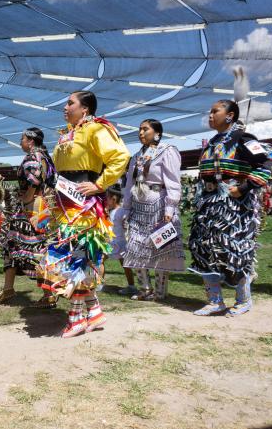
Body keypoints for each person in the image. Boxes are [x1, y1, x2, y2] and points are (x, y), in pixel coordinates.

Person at [39, 91, 130, 338]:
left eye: (70, 103)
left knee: (79, 255)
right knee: (71, 254)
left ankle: (76, 317)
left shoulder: (96, 129)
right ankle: (95, 311)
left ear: (85, 109)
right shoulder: (66, 134)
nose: (65, 107)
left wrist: (100, 184)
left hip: (85, 205)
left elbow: (120, 156)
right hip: (64, 202)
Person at [188, 99, 272, 316]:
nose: (210, 115)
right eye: (210, 111)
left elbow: (267, 164)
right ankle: (215, 301)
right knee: (204, 249)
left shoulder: (243, 139)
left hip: (234, 207)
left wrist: (244, 188)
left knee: (235, 250)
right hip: (208, 205)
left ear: (230, 115)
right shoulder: (213, 141)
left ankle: (243, 300)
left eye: (215, 111)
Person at [121, 119, 184, 301]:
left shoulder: (167, 151)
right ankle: (145, 289)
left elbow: (173, 182)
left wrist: (170, 209)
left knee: (160, 247)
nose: (141, 133)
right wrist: (126, 208)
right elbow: (129, 184)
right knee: (134, 246)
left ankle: (160, 292)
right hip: (138, 206)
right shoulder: (136, 156)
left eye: (145, 129)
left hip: (159, 205)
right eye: (139, 129)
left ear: (157, 133)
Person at [0, 127, 55, 305]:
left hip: (29, 210)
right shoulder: (45, 156)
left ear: (31, 141)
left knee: (33, 249)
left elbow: (35, 178)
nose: (20, 142)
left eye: (22, 139)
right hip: (41, 209)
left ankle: (48, 295)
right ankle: (9, 289)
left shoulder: (33, 157)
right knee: (23, 246)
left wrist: (27, 197)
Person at [105, 186, 136, 295]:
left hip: (120, 242)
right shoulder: (111, 211)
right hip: (111, 242)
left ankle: (131, 286)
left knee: (125, 265)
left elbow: (126, 223)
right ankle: (100, 283)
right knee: (101, 261)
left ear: (114, 199)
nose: (106, 200)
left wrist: (125, 224)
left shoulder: (121, 211)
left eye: (107, 198)